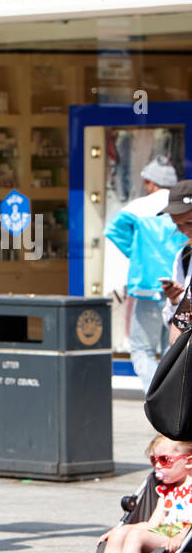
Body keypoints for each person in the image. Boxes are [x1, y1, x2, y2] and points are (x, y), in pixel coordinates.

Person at [69, 436, 191, 553]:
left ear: (188, 462)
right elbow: (152, 525)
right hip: (163, 534)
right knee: (120, 534)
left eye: (164, 460)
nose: (157, 465)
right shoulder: (166, 492)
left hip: (183, 537)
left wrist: (180, 536)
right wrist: (122, 528)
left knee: (135, 537)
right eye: (153, 460)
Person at [107, 156, 184, 389]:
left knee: (142, 349)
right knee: (172, 350)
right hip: (179, 285)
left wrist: (137, 253)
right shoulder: (181, 207)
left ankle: (158, 396)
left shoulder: (138, 207)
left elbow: (113, 230)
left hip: (148, 286)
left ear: (151, 183)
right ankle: (171, 396)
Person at [160, 179, 192, 343]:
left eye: (189, 222)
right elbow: (173, 325)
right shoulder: (184, 256)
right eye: (177, 224)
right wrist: (175, 300)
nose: (185, 230)